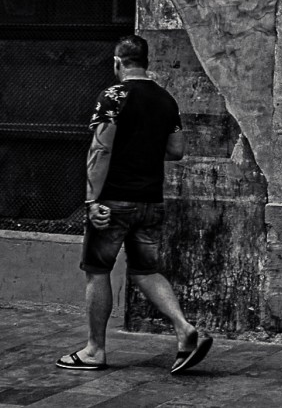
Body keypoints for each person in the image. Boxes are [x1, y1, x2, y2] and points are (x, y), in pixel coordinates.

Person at [56, 35, 213, 375]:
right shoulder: (165, 100)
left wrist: (91, 200)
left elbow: (101, 149)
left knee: (97, 271)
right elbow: (176, 150)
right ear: (146, 61)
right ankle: (185, 330)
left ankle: (95, 350)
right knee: (145, 270)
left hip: (113, 201)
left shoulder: (113, 96)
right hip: (150, 201)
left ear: (118, 62)